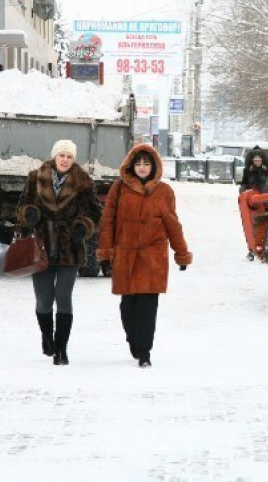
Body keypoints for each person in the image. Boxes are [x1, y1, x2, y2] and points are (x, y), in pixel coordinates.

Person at [96, 144, 192, 368]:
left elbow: (173, 225)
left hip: (152, 257)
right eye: (138, 163)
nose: (142, 167)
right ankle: (133, 340)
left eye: (146, 163)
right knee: (128, 306)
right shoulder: (119, 188)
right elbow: (107, 221)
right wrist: (106, 252)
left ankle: (145, 352)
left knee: (148, 306)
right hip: (125, 254)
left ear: (154, 166)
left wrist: (181, 253)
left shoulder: (164, 191)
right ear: (131, 165)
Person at [17, 140, 102, 365]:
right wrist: (29, 213)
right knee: (44, 301)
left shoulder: (84, 182)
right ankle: (47, 336)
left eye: (69, 156)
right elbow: (22, 206)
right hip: (42, 247)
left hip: (70, 247)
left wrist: (84, 226)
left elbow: (96, 213)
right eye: (62, 155)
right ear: (54, 156)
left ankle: (61, 350)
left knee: (63, 297)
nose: (65, 160)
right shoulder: (35, 178)